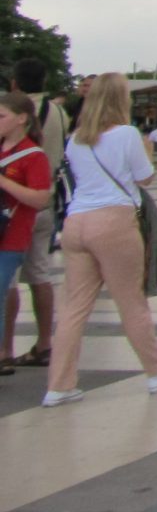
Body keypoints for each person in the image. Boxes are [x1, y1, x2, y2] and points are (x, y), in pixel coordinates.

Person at [42, 74, 157, 406]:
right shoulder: (126, 134)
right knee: (131, 302)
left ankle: (59, 385)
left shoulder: (76, 138)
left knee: (74, 308)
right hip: (113, 222)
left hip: (76, 223)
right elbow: (145, 178)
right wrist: (148, 152)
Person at [6, 58, 67, 372]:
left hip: (13, 206)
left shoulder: (11, 110)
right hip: (45, 203)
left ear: (14, 82)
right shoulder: (59, 111)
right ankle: (44, 342)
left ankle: (5, 348)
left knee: (8, 278)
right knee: (40, 274)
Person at [0, 92, 54, 379]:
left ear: (22, 118)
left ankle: (4, 351)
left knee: (6, 286)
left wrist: (4, 182)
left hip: (15, 229)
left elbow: (40, 197)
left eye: (1, 116)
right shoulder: (3, 149)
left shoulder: (32, 153)